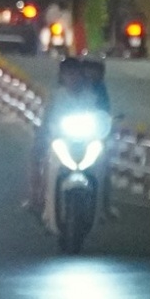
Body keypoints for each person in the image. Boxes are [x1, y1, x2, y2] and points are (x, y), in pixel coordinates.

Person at [26, 56, 112, 214]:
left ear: (81, 75)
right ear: (62, 77)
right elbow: (46, 119)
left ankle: (105, 205)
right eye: (68, 74)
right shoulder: (56, 96)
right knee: (40, 155)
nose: (72, 78)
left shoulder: (92, 97)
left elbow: (104, 118)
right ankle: (35, 197)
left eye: (75, 74)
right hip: (60, 138)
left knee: (104, 161)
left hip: (87, 139)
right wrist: (43, 132)